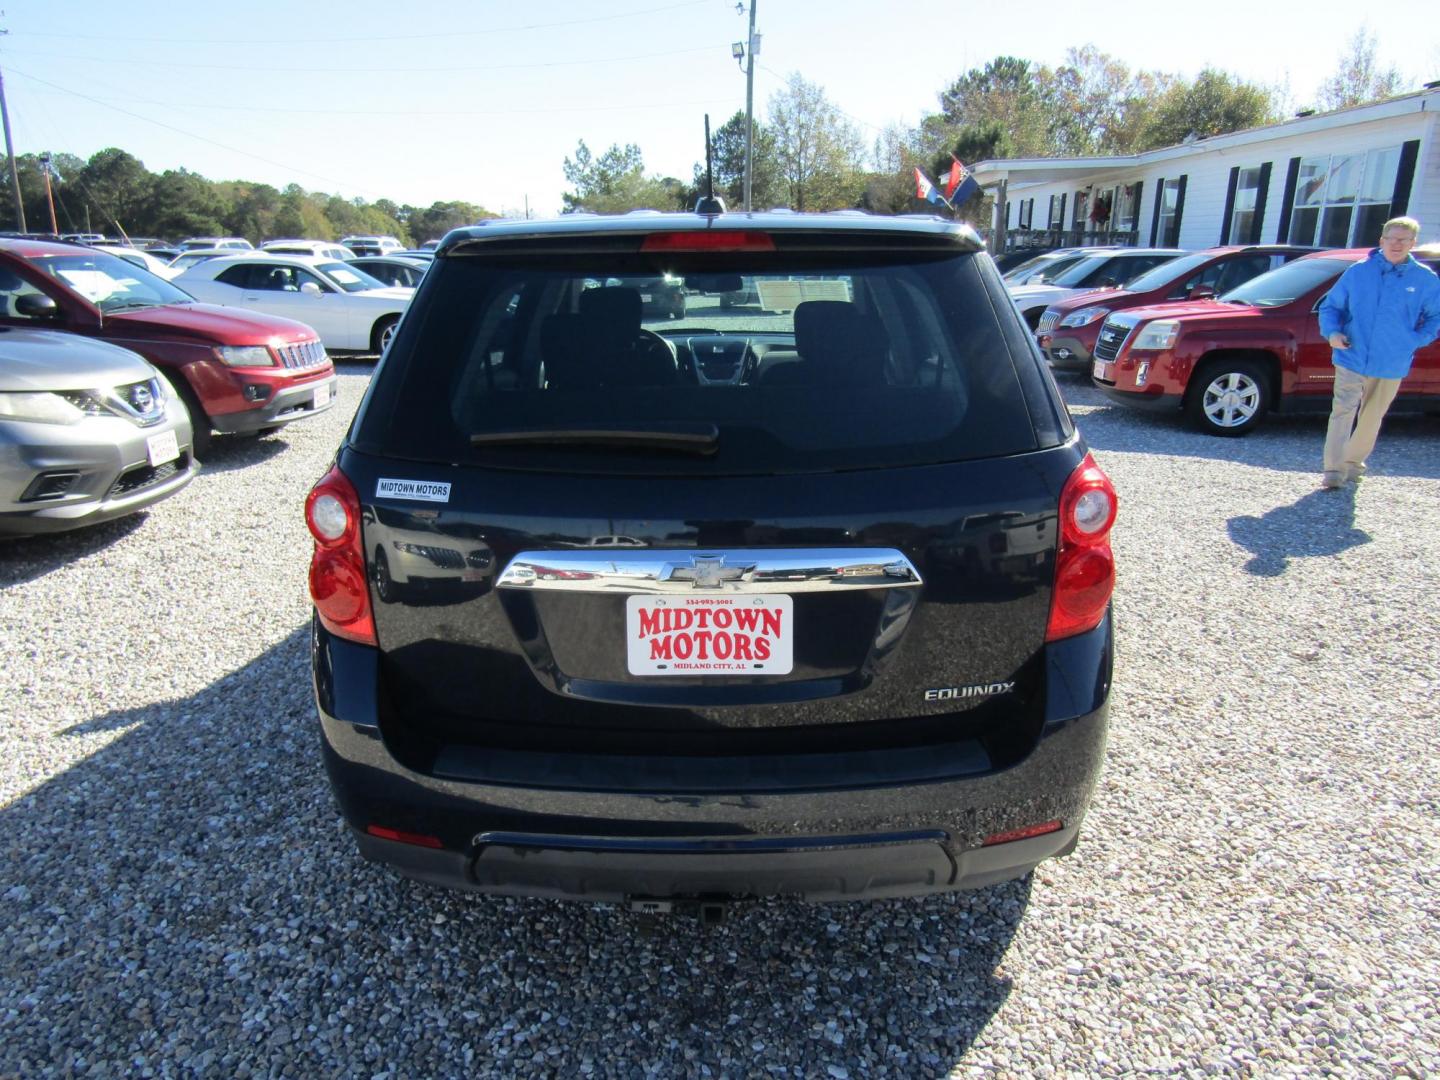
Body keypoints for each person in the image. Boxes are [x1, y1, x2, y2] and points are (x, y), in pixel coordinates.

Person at [1317, 216, 1440, 488]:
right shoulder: (1358, 272)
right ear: (1381, 240)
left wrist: (1415, 340)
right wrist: (1333, 333)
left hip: (1392, 360)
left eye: (1403, 240)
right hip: (1352, 354)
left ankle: (1353, 465)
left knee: (1372, 415)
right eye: (1391, 238)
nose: (1396, 244)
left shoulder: (1425, 279)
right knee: (1342, 411)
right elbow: (1331, 307)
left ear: (1413, 243)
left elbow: (1435, 317)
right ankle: (1333, 472)